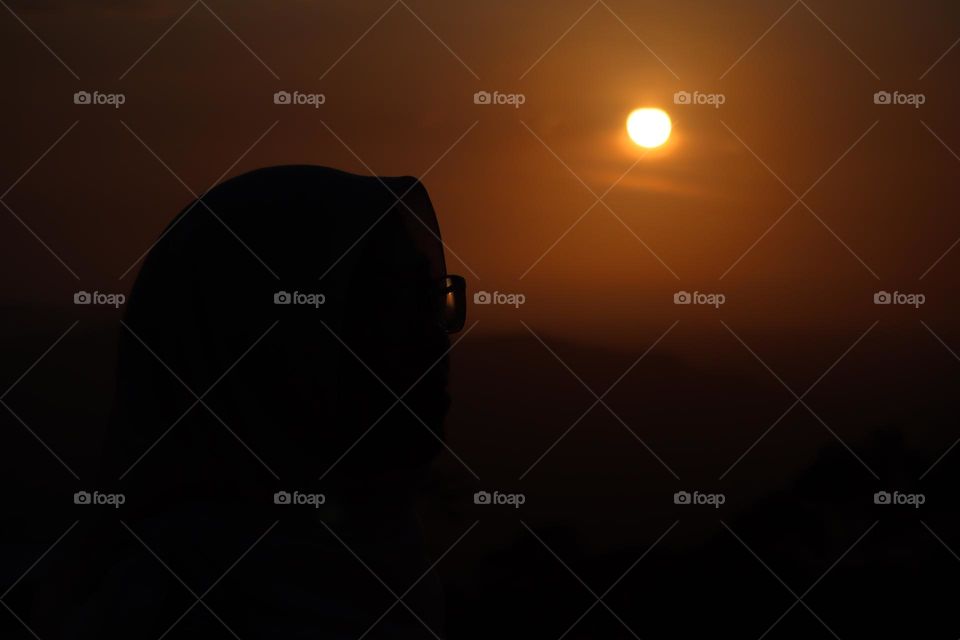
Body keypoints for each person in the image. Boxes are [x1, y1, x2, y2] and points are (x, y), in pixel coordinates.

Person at [35, 165, 466, 638]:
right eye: (387, 305)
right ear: (257, 346)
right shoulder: (163, 610)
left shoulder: (380, 562)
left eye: (432, 298)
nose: (432, 337)